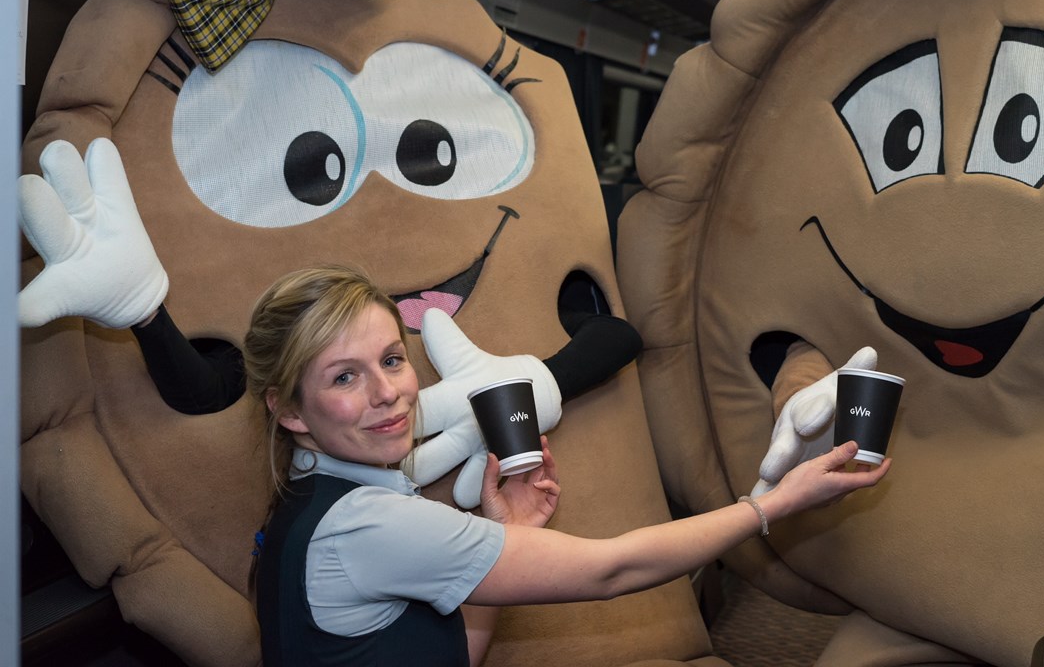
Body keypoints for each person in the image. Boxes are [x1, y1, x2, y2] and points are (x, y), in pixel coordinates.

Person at [244, 264, 892, 667]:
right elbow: (612, 569)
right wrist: (773, 503)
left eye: (391, 359)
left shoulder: (310, 496)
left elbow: (445, 654)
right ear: (291, 410)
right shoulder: (370, 525)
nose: (387, 394)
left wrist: (512, 541)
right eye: (344, 377)